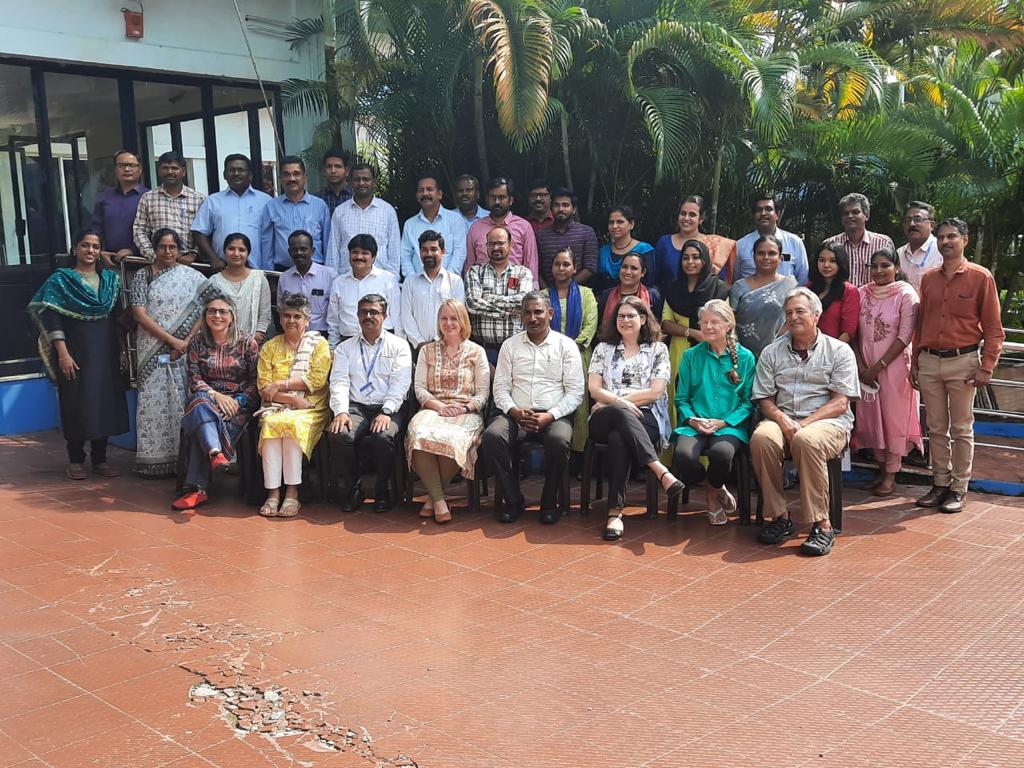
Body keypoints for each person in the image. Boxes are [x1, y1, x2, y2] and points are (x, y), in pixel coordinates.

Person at [751, 287, 860, 557]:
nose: (793, 317)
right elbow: (764, 399)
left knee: (806, 439)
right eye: (788, 313)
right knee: (762, 438)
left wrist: (803, 424)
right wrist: (784, 421)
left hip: (828, 422)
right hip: (783, 417)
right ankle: (779, 517)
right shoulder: (771, 352)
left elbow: (840, 402)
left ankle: (822, 525)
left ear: (816, 315)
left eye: (800, 311)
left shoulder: (839, 351)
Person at [912, 218, 1005, 514]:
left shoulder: (981, 277)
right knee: (936, 428)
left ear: (964, 240)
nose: (945, 242)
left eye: (952, 236)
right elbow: (920, 323)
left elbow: (993, 328)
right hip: (929, 361)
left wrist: (986, 366)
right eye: (940, 237)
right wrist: (915, 361)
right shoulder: (928, 278)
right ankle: (939, 482)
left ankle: (959, 488)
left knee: (962, 428)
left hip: (963, 362)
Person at [27, 228, 128, 480]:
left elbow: (118, 320)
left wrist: (123, 351)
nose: (90, 251)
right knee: (76, 403)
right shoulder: (61, 281)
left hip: (106, 351)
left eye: (95, 246)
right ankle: (75, 459)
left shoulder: (110, 282)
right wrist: (63, 354)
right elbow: (52, 320)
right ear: (75, 249)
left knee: (104, 403)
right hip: (75, 352)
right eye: (85, 245)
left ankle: (100, 459)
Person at [588, 296, 684, 541]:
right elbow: (594, 390)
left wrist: (614, 399)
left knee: (619, 438)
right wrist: (621, 404)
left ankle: (614, 513)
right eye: (621, 316)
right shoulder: (603, 349)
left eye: (631, 315)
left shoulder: (658, 349)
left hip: (647, 417)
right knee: (619, 414)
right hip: (603, 417)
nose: (625, 320)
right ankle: (659, 469)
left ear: (643, 319)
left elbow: (656, 392)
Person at [484, 292, 584, 525]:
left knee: (559, 441)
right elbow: (500, 387)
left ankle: (549, 502)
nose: (533, 317)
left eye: (538, 312)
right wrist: (514, 411)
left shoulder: (566, 346)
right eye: (527, 312)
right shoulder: (510, 346)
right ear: (521, 316)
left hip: (553, 414)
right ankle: (513, 499)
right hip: (516, 413)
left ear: (550, 314)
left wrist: (550, 415)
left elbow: (575, 391)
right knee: (492, 437)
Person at [129, 228, 206, 476]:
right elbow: (139, 314)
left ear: (180, 249)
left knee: (182, 399)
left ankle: (184, 460)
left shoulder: (193, 277)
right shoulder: (143, 275)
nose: (168, 251)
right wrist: (172, 340)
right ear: (154, 248)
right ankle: (153, 461)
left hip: (184, 350)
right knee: (153, 402)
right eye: (163, 247)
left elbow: (210, 305)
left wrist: (187, 341)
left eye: (173, 247)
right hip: (151, 349)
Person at [173, 293, 259, 510]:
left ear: (232, 316)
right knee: (201, 403)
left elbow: (255, 380)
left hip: (237, 406)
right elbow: (195, 379)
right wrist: (217, 396)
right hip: (207, 398)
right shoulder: (196, 343)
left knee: (201, 423)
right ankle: (215, 454)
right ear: (205, 315)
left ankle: (196, 488)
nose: (217, 315)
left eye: (223, 311)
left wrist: (238, 401)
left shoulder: (247, 343)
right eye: (212, 311)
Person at [406, 300, 489, 524]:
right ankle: (440, 500)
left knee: (455, 439)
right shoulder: (426, 351)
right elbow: (420, 388)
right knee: (418, 434)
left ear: (463, 321)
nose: (449, 323)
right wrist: (440, 407)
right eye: (444, 318)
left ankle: (433, 499)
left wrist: (463, 408)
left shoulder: (477, 352)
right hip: (434, 407)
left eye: (454, 318)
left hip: (465, 411)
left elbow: (482, 394)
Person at [327, 294, 412, 513]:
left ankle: (383, 490)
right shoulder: (345, 348)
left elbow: (400, 384)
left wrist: (386, 411)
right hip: (357, 406)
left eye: (374, 312)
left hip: (388, 407)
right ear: (357, 316)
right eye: (364, 312)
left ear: (385, 316)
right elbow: (339, 381)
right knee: (339, 433)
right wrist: (341, 411)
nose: (368, 316)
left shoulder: (399, 346)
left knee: (383, 436)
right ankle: (354, 489)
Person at [673, 300, 755, 525]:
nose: (708, 327)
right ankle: (716, 486)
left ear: (728, 326)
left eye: (714, 322)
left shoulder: (745, 357)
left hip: (729, 426)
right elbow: (681, 398)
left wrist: (724, 422)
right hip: (695, 423)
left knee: (721, 454)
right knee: (683, 456)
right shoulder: (691, 356)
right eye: (704, 322)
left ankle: (712, 492)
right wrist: (692, 420)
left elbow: (749, 401)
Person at [852, 248, 922, 496]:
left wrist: (878, 367)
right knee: (872, 419)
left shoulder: (905, 294)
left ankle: (891, 476)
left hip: (894, 368)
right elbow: (854, 332)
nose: (879, 271)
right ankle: (880, 470)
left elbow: (905, 336)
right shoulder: (862, 293)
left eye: (885, 265)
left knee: (893, 419)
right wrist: (861, 365)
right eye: (874, 266)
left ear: (895, 267)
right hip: (865, 368)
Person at [256, 293, 332, 518]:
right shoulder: (270, 347)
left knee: (291, 424)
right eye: (287, 316)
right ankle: (272, 493)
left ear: (307, 320)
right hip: (276, 406)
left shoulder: (318, 345)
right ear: (280, 319)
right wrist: (292, 399)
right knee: (272, 422)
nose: (291, 321)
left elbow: (316, 381)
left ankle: (292, 492)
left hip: (311, 406)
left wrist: (280, 384)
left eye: (297, 316)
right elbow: (263, 388)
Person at [661, 238, 730, 427]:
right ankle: (676, 451)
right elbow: (666, 323)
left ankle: (704, 453)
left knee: (706, 397)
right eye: (686, 258)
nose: (690, 262)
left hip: (711, 353)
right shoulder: (673, 288)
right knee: (677, 398)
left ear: (705, 260)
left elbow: (726, 322)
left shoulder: (719, 288)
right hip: (678, 352)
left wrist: (705, 336)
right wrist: (693, 333)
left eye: (696, 257)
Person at [548, 247, 598, 452]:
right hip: (549, 356)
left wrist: (570, 348)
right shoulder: (543, 296)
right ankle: (556, 448)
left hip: (579, 355)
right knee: (553, 399)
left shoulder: (586, 295)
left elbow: (590, 326)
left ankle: (578, 454)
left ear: (575, 268)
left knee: (580, 405)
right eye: (557, 264)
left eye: (566, 264)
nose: (561, 268)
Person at [465, 225, 534, 363]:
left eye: (501, 243)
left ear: (510, 244)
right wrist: (507, 312)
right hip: (482, 349)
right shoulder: (475, 272)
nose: (496, 247)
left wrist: (489, 298)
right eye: (492, 244)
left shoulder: (521, 273)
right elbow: (473, 304)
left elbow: (523, 301)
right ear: (486, 246)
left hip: (515, 348)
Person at [192, 154, 271, 271]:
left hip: (256, 269)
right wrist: (213, 259)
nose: (236, 174)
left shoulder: (265, 201)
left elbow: (270, 237)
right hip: (222, 268)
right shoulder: (213, 201)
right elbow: (199, 232)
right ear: (224, 175)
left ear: (250, 175)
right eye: (232, 170)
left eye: (241, 170)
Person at [730, 234, 799, 359]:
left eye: (772, 253)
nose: (766, 257)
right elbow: (730, 323)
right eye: (761, 253)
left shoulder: (790, 286)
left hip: (780, 354)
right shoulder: (739, 287)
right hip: (743, 355)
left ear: (780, 258)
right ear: (754, 256)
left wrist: (776, 345)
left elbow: (793, 319)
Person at [259, 155, 332, 271]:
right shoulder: (271, 207)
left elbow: (328, 243)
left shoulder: (320, 206)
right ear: (280, 178)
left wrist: (328, 272)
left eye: (296, 174)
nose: (291, 178)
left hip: (316, 271)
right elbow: (266, 244)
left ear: (305, 177)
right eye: (286, 174)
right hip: (282, 271)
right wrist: (269, 274)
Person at [326, 234, 401, 347]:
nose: (359, 256)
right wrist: (332, 347)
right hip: (348, 343)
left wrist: (400, 345)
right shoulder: (338, 283)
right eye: (355, 252)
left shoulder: (388, 280)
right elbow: (333, 321)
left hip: (383, 343)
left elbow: (397, 317)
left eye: (365, 253)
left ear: (374, 257)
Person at [327, 162, 401, 275]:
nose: (361, 183)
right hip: (347, 280)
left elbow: (394, 251)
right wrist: (335, 280)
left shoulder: (387, 211)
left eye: (366, 179)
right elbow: (333, 251)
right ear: (351, 182)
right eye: (357, 179)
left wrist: (391, 281)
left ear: (374, 182)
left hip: (379, 281)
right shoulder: (339, 212)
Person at [133, 150, 206, 264]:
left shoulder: (198, 199)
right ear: (159, 171)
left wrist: (194, 254)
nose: (170, 172)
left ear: (183, 172)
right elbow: (139, 230)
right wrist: (153, 255)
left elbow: (204, 231)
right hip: (158, 264)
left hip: (189, 264)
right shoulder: (148, 198)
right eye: (165, 168)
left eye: (174, 168)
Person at [400, 230, 466, 351]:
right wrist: (419, 342)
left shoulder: (455, 282)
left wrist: (438, 340)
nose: (428, 253)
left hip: (448, 346)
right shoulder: (410, 282)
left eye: (434, 249)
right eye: (424, 250)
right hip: (417, 348)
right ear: (419, 253)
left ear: (443, 252)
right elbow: (406, 316)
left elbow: (458, 315)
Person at [465, 177, 540, 283]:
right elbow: (470, 265)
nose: (497, 202)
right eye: (493, 197)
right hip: (482, 290)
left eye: (501, 197)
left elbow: (531, 265)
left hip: (515, 286)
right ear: (487, 199)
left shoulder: (523, 227)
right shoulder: (476, 228)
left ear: (511, 200)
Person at [654, 195, 737, 288]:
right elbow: (655, 278)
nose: (686, 218)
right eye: (683, 213)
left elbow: (719, 281)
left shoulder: (713, 244)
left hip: (704, 300)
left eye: (692, 215)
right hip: (669, 300)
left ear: (701, 219)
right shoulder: (664, 243)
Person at [202, 233, 272, 343]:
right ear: (224, 252)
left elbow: (265, 313)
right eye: (231, 249)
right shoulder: (214, 281)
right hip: (220, 344)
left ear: (248, 253)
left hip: (252, 344)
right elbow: (209, 314)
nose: (236, 253)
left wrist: (257, 337)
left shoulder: (259, 279)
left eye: (241, 250)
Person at [399, 173, 468, 278]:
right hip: (417, 285)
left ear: (439, 194)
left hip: (449, 284)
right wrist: (413, 280)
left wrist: (447, 279)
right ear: (417, 196)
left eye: (429, 189)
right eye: (421, 190)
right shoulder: (410, 224)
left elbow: (460, 253)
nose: (425, 193)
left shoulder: (455, 220)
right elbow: (405, 257)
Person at [823, 193, 895, 286]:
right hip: (840, 299)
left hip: (875, 298)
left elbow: (892, 277)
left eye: (855, 212)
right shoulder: (829, 245)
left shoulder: (883, 243)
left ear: (867, 215)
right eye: (846, 213)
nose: (850, 216)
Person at [734, 195, 809, 283]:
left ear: (777, 214)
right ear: (753, 215)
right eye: (759, 210)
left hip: (787, 295)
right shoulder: (740, 245)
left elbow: (803, 279)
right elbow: (736, 279)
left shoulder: (794, 242)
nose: (763, 213)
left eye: (768, 209)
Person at [91, 150, 148, 265]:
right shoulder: (104, 197)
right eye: (121, 165)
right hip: (109, 261)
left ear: (140, 169)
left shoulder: (149, 197)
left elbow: (154, 231)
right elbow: (96, 228)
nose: (126, 169)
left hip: (142, 261)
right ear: (115, 170)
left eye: (131, 165)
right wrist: (101, 251)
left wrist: (132, 250)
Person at [277, 230, 337, 335]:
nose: (299, 253)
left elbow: (335, 311)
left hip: (321, 335)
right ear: (289, 252)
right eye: (295, 249)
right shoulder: (284, 278)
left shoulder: (329, 275)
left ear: (313, 251)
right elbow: (281, 310)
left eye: (303, 249)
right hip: (293, 335)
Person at [535, 187, 599, 286]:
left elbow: (590, 267)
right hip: (547, 295)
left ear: (574, 209)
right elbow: (536, 268)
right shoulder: (541, 235)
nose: (561, 209)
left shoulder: (587, 233)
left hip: (578, 293)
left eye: (565, 205)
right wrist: (547, 292)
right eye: (557, 205)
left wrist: (566, 288)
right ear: (551, 208)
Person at [597, 251, 663, 330]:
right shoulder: (606, 295)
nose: (628, 272)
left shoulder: (652, 295)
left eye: (634, 268)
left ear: (643, 273)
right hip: (611, 341)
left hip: (645, 341)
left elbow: (660, 326)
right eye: (624, 267)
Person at [595, 205, 655, 292]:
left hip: (636, 302)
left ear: (631, 224)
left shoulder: (644, 250)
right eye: (611, 222)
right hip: (606, 302)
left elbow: (649, 283)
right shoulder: (604, 251)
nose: (614, 226)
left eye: (620, 222)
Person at [808, 243, 859, 344]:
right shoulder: (807, 289)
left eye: (833, 261)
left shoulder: (849, 291)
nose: (826, 265)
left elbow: (848, 332)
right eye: (822, 260)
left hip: (835, 352)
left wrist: (832, 353)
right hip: (806, 351)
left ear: (841, 263)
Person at [896, 201, 939, 293]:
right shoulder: (899, 253)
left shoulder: (941, 251)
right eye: (908, 220)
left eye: (918, 219)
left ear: (931, 225)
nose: (912, 224)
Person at [317, 148, 352, 214]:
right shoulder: (317, 199)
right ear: (324, 171)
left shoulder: (355, 197)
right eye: (329, 166)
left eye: (338, 166)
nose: (333, 171)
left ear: (347, 171)